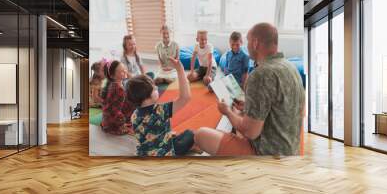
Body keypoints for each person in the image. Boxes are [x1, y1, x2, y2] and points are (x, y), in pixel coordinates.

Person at [194, 23, 305, 156]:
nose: (246, 46)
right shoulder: (291, 67)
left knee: (200, 135)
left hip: (267, 155)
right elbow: (279, 106)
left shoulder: (260, 74)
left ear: (255, 43)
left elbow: (250, 133)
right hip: (292, 150)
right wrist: (248, 106)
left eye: (247, 41)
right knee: (240, 113)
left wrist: (227, 112)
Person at [126, 57, 194, 156]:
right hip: (164, 153)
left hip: (145, 153)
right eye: (154, 89)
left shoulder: (134, 115)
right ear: (147, 97)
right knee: (190, 133)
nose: (157, 87)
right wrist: (180, 69)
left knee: (173, 134)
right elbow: (185, 97)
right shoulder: (160, 110)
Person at [101, 60, 135, 135]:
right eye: (121, 71)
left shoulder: (114, 84)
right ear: (112, 76)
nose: (125, 72)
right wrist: (122, 123)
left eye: (124, 69)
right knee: (134, 105)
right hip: (113, 121)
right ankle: (121, 125)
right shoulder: (119, 89)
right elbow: (115, 111)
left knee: (133, 101)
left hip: (107, 117)